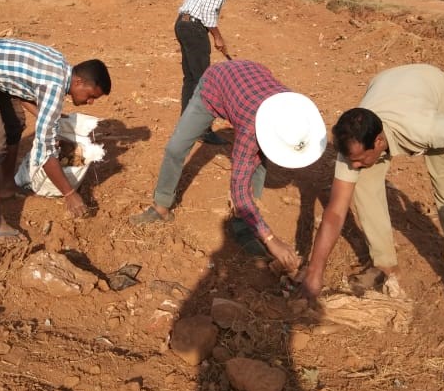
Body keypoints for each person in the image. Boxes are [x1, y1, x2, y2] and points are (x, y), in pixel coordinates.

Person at [299, 64, 444, 304]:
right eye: (351, 160)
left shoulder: (427, 127)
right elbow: (336, 211)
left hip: (433, 87)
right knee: (364, 189)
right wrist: (315, 273)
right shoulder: (353, 143)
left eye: (358, 160)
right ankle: (385, 266)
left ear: (379, 141)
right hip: (385, 84)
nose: (354, 165)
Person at [129, 59, 326, 273]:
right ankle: (161, 206)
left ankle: (243, 221)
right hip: (215, 84)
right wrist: (270, 239)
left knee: (259, 160)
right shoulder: (251, 129)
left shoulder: (294, 110)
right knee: (176, 147)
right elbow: (238, 187)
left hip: (253, 77)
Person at [0, 38, 111, 238]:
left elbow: (21, 88)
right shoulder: (55, 85)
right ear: (79, 82)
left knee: (15, 124)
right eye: (91, 96)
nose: (90, 102)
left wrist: (48, 118)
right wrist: (70, 194)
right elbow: (44, 152)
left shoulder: (62, 69)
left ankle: (7, 186)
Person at [175, 0, 253, 144]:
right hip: (194, 27)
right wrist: (218, 37)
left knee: (192, 79)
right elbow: (209, 12)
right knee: (204, 82)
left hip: (183, 24)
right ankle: (201, 130)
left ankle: (187, 124)